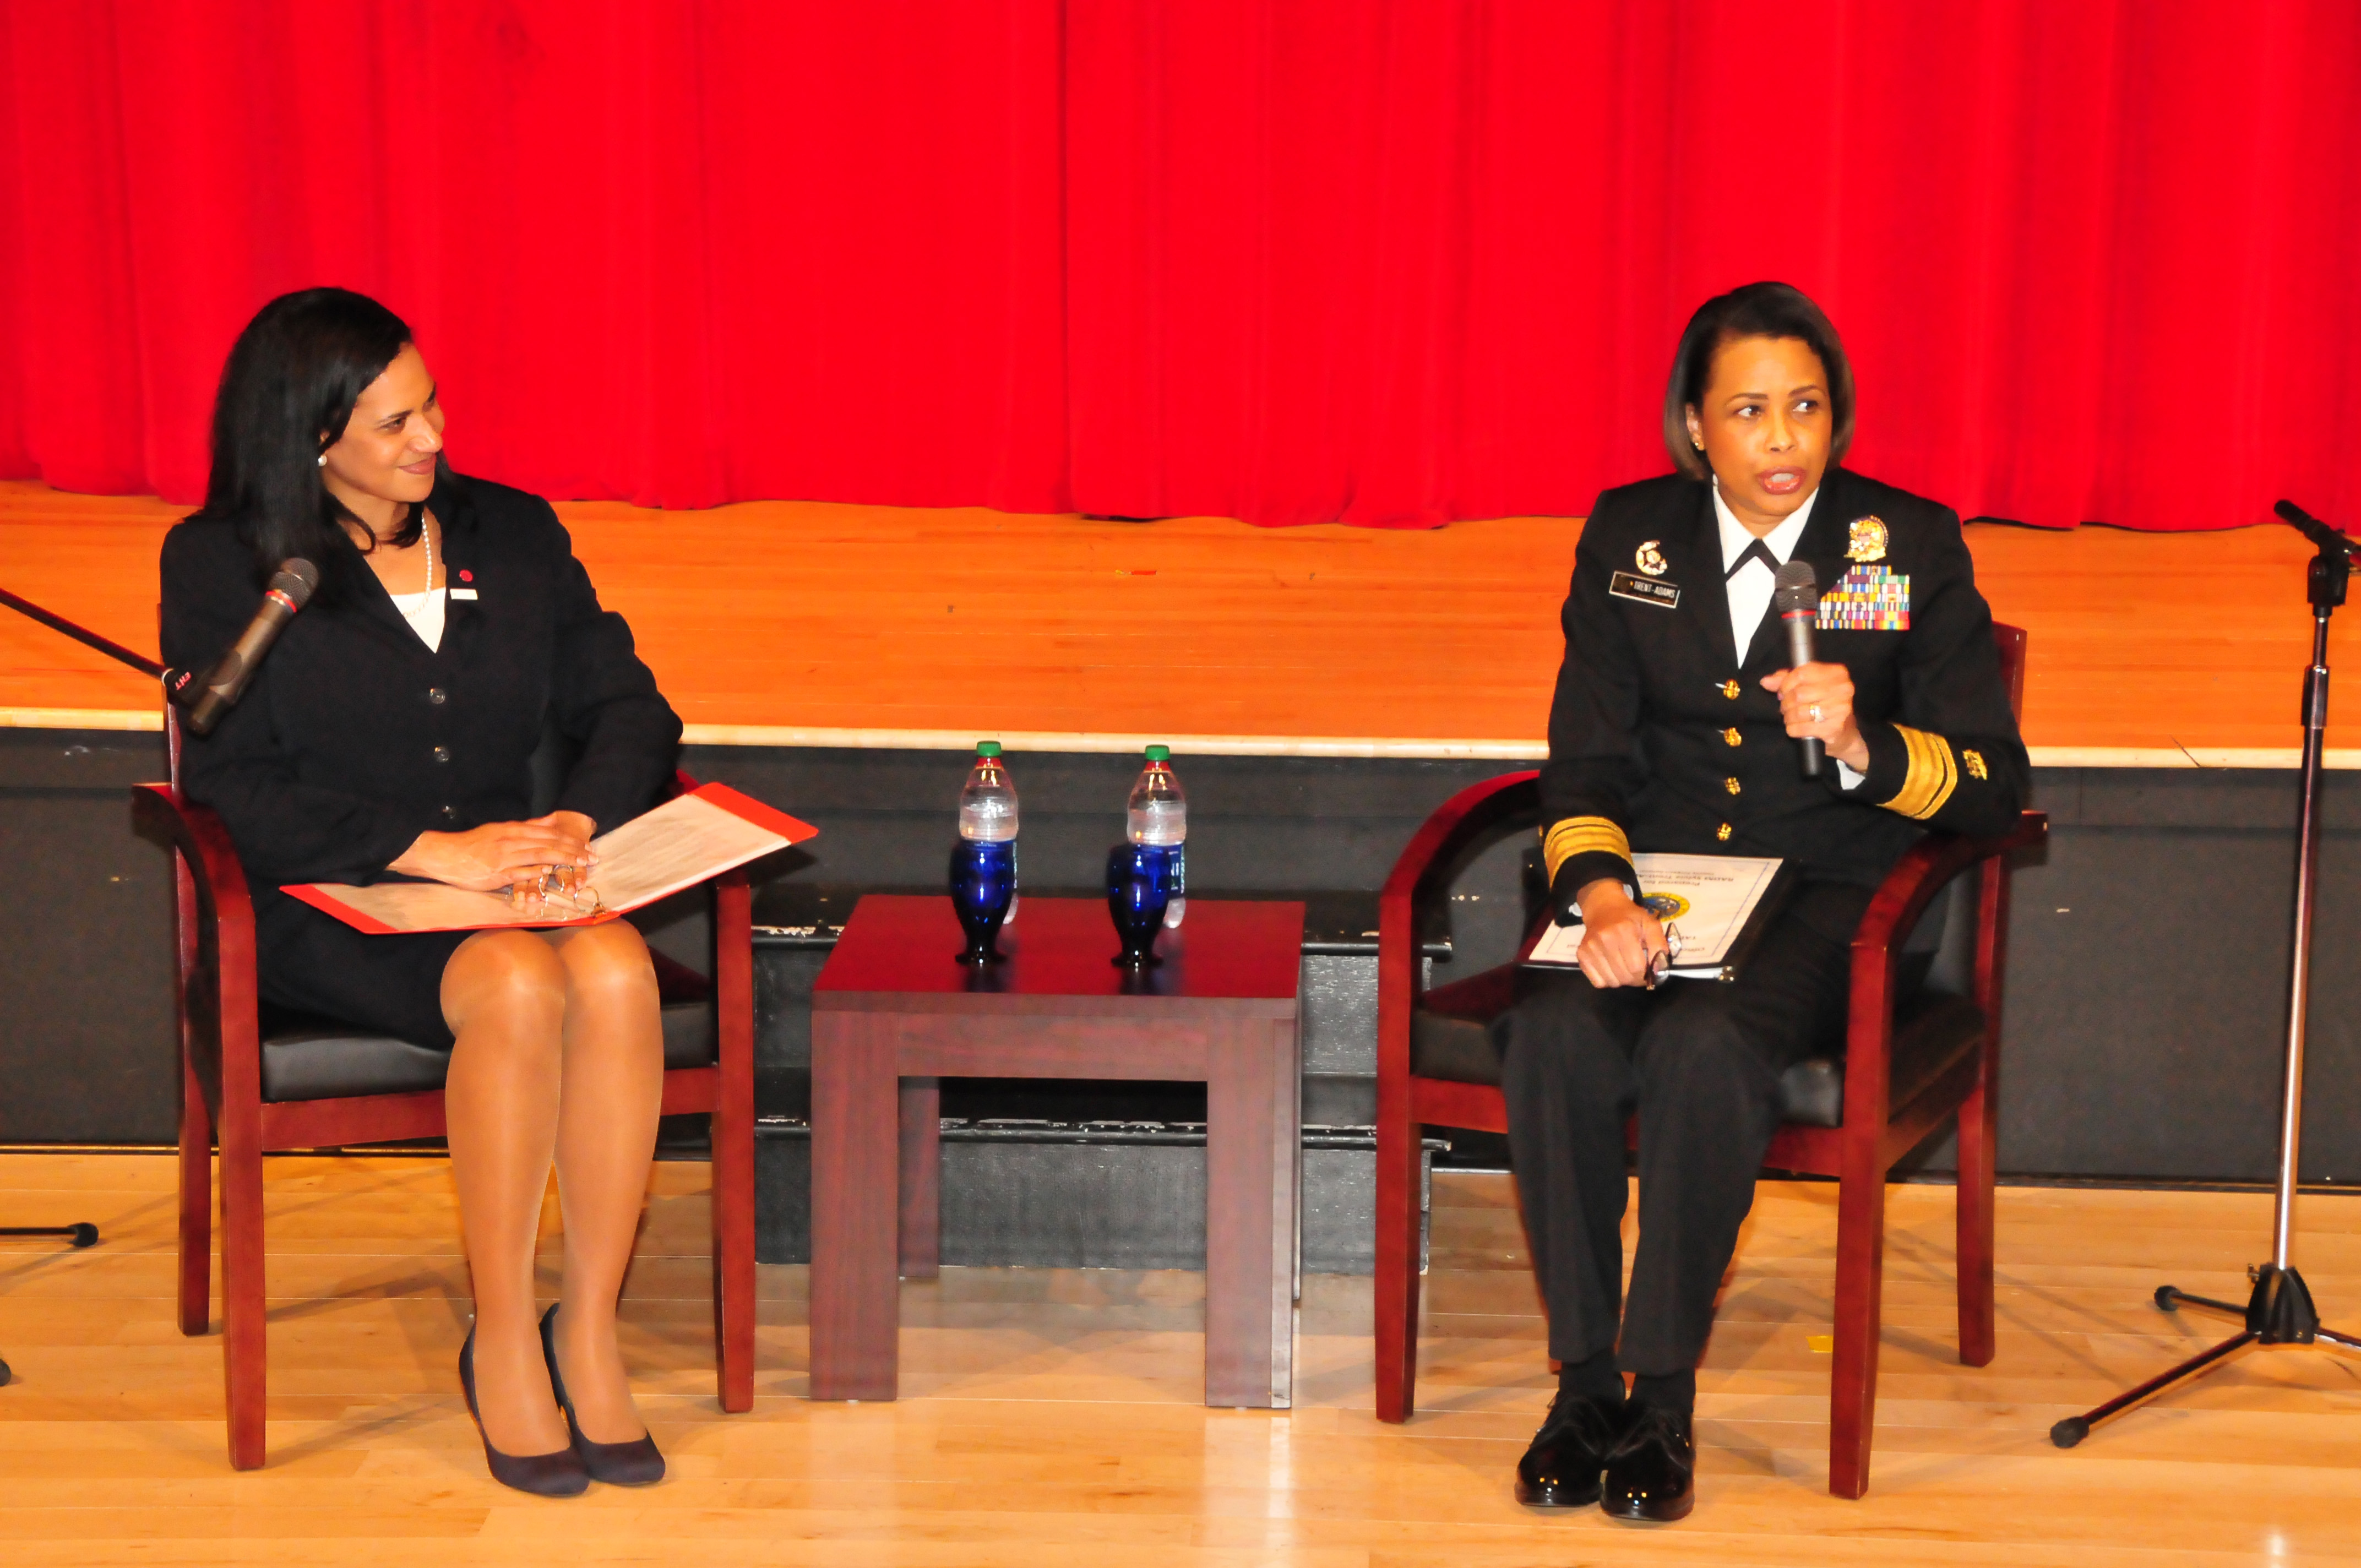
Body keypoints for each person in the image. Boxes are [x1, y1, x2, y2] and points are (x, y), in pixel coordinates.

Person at [1502, 282, 2028, 1521]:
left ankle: (1661, 1394)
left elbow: (1995, 785)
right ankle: (1583, 1383)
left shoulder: (1899, 547)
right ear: (1694, 426)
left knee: (1702, 1044)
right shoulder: (1630, 541)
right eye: (1748, 411)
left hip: (1836, 898)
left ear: (1835, 419)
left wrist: (1864, 743)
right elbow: (1581, 762)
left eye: (1805, 407)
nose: (1783, 438)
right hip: (1664, 885)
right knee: (1550, 1030)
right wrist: (1598, 892)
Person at [160, 287, 684, 1497]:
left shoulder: (512, 532)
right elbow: (232, 782)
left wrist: (575, 818)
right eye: (395, 423)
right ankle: (502, 1334)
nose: (431, 440)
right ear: (312, 437)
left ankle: (585, 1326)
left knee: (611, 965)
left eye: (432, 403)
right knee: (509, 979)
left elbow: (629, 706)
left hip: (518, 876)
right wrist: (421, 849)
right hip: (338, 898)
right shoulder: (228, 563)